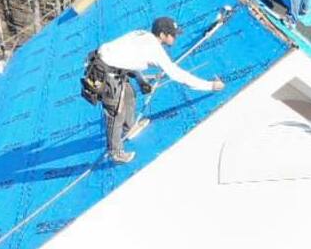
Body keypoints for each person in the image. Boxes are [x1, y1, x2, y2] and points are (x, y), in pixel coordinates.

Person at [94, 17, 225, 164]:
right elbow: (179, 75)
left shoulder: (142, 34)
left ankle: (129, 127)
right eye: (172, 35)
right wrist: (210, 86)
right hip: (104, 71)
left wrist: (141, 80)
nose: (175, 37)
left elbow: (128, 57)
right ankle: (115, 152)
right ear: (162, 35)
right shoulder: (155, 50)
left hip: (110, 64)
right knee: (116, 112)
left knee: (129, 94)